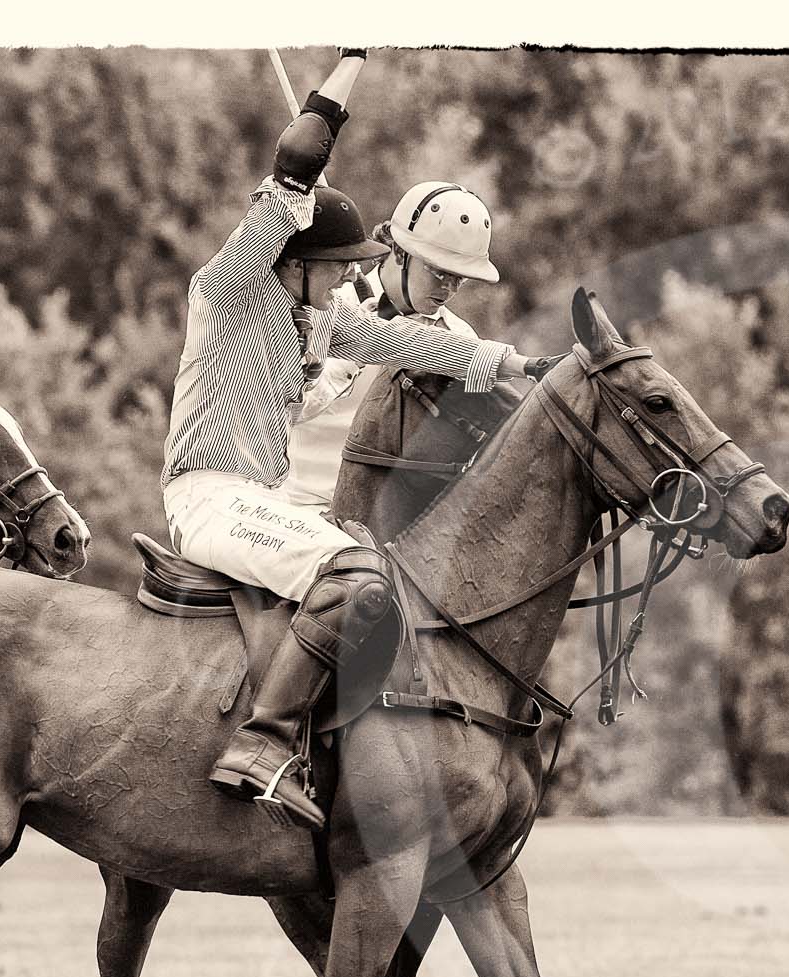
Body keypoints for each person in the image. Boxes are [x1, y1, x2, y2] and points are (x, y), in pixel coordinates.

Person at [160, 51, 559, 830]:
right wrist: (348, 69)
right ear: (296, 262)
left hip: (265, 502)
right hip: (210, 495)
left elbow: (421, 347)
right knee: (354, 568)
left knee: (382, 582)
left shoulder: (323, 319)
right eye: (337, 266)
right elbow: (291, 172)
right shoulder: (227, 292)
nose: (348, 278)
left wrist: (516, 361)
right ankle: (262, 745)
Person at [283, 180, 551, 509]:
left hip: (395, 525)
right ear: (398, 250)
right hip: (303, 505)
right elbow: (291, 409)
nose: (450, 289)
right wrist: (356, 349)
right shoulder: (324, 303)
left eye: (460, 278)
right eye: (440, 272)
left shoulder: (459, 337)